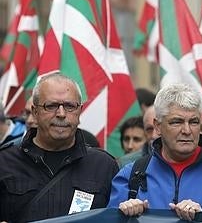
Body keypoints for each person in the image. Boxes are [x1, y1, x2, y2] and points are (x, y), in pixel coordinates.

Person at [108, 83, 202, 219]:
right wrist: (124, 217)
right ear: (158, 127)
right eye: (176, 122)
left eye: (194, 122)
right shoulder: (131, 173)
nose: (187, 130)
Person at [0, 73, 119, 222]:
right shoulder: (4, 161)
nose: (61, 114)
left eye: (70, 106)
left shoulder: (104, 166)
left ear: (79, 111)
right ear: (35, 112)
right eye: (51, 106)